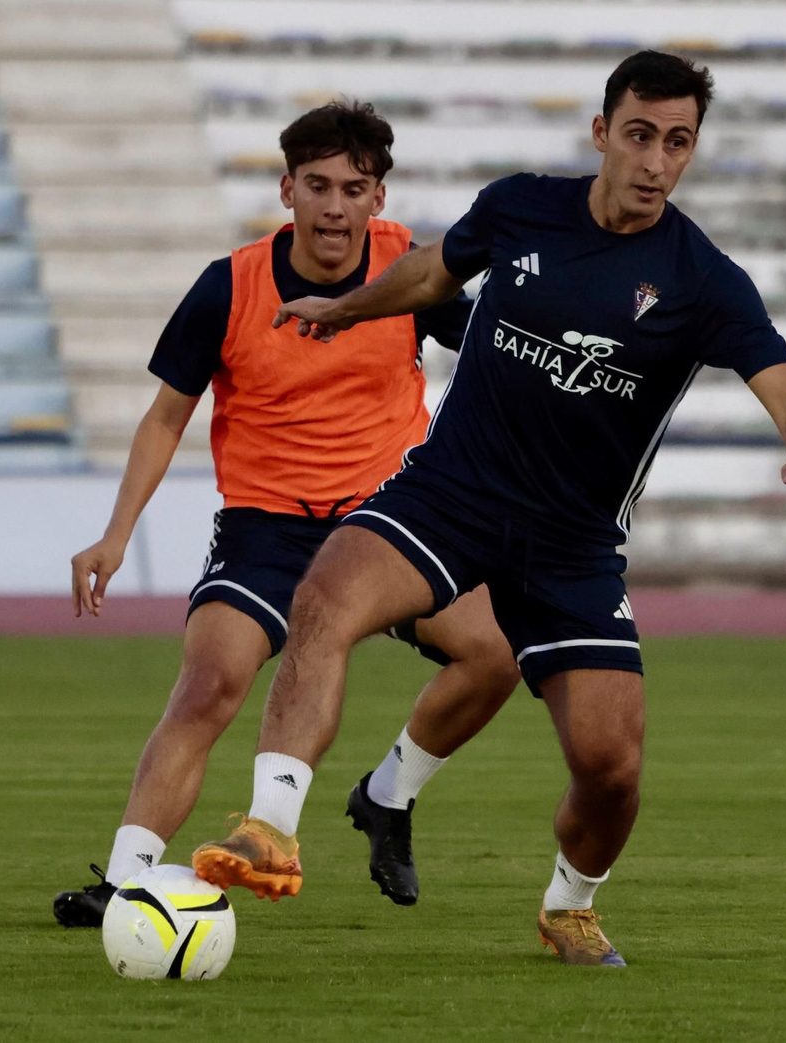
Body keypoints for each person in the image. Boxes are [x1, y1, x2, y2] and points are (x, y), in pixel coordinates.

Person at [187, 51, 786, 967]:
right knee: (325, 598)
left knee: (611, 770)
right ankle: (271, 828)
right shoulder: (521, 205)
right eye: (641, 135)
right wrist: (346, 309)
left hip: (572, 546)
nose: (656, 161)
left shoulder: (703, 279)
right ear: (603, 132)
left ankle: (568, 906)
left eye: (679, 142)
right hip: (454, 490)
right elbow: (428, 277)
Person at [52, 102, 519, 927]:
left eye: (354, 188)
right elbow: (167, 416)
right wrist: (116, 533)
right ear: (287, 191)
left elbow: (497, 357)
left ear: (378, 198)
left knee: (496, 654)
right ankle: (125, 881)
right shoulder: (228, 285)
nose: (335, 206)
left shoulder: (409, 272)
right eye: (318, 187)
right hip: (270, 527)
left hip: (390, 522)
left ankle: (388, 795)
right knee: (207, 685)